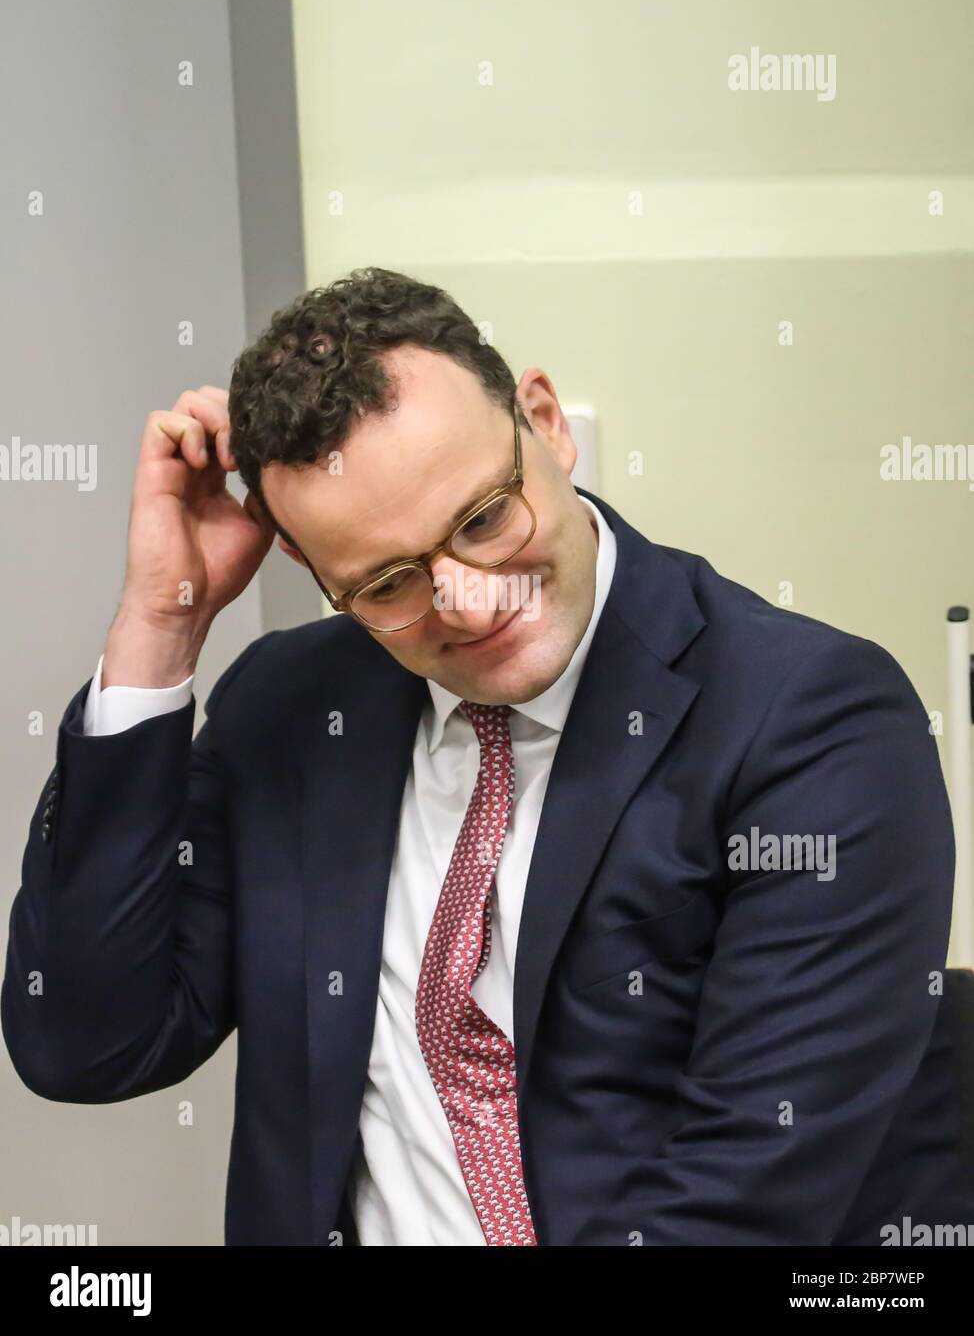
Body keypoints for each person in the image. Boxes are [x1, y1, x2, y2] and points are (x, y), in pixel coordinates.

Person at [3, 267, 972, 1246]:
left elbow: (744, 1205)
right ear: (308, 568)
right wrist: (160, 625)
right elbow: (84, 1043)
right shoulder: (289, 708)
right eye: (386, 582)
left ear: (546, 423)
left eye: (480, 519)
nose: (466, 602)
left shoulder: (808, 720)